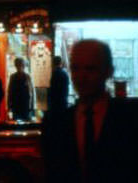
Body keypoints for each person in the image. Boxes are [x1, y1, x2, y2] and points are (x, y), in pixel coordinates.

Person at [42, 39, 138, 183]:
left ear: (108, 72)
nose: (81, 77)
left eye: (90, 69)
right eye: (75, 68)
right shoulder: (56, 124)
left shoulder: (130, 120)